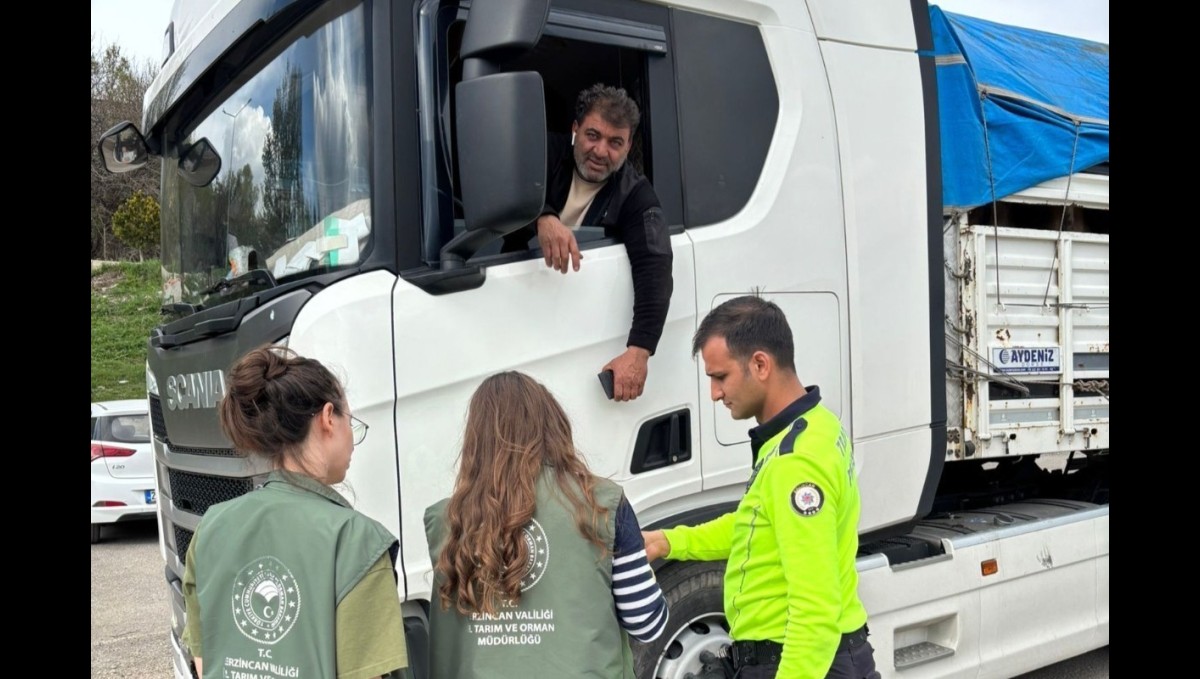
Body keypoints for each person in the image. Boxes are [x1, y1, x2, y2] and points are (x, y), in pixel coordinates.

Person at [642, 296, 881, 679]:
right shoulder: (815, 425)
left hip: (798, 661)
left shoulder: (795, 461)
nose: (715, 394)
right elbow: (756, 527)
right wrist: (669, 541)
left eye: (720, 377)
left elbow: (815, 609)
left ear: (760, 364)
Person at [180, 346, 408, 679]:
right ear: (329, 417)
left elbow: (204, 664)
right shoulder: (357, 542)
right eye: (351, 421)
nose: (352, 438)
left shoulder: (211, 527)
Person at [424, 371, 669, 678]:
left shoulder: (446, 520)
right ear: (552, 426)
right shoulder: (601, 502)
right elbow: (646, 624)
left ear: (476, 439)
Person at [502, 83, 674, 402]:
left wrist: (639, 353)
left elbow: (655, 265)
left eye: (614, 142)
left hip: (574, 325)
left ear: (628, 146)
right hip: (508, 309)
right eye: (592, 135)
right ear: (575, 129)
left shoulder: (635, 194)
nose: (600, 151)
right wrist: (542, 216)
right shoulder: (544, 154)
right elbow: (501, 190)